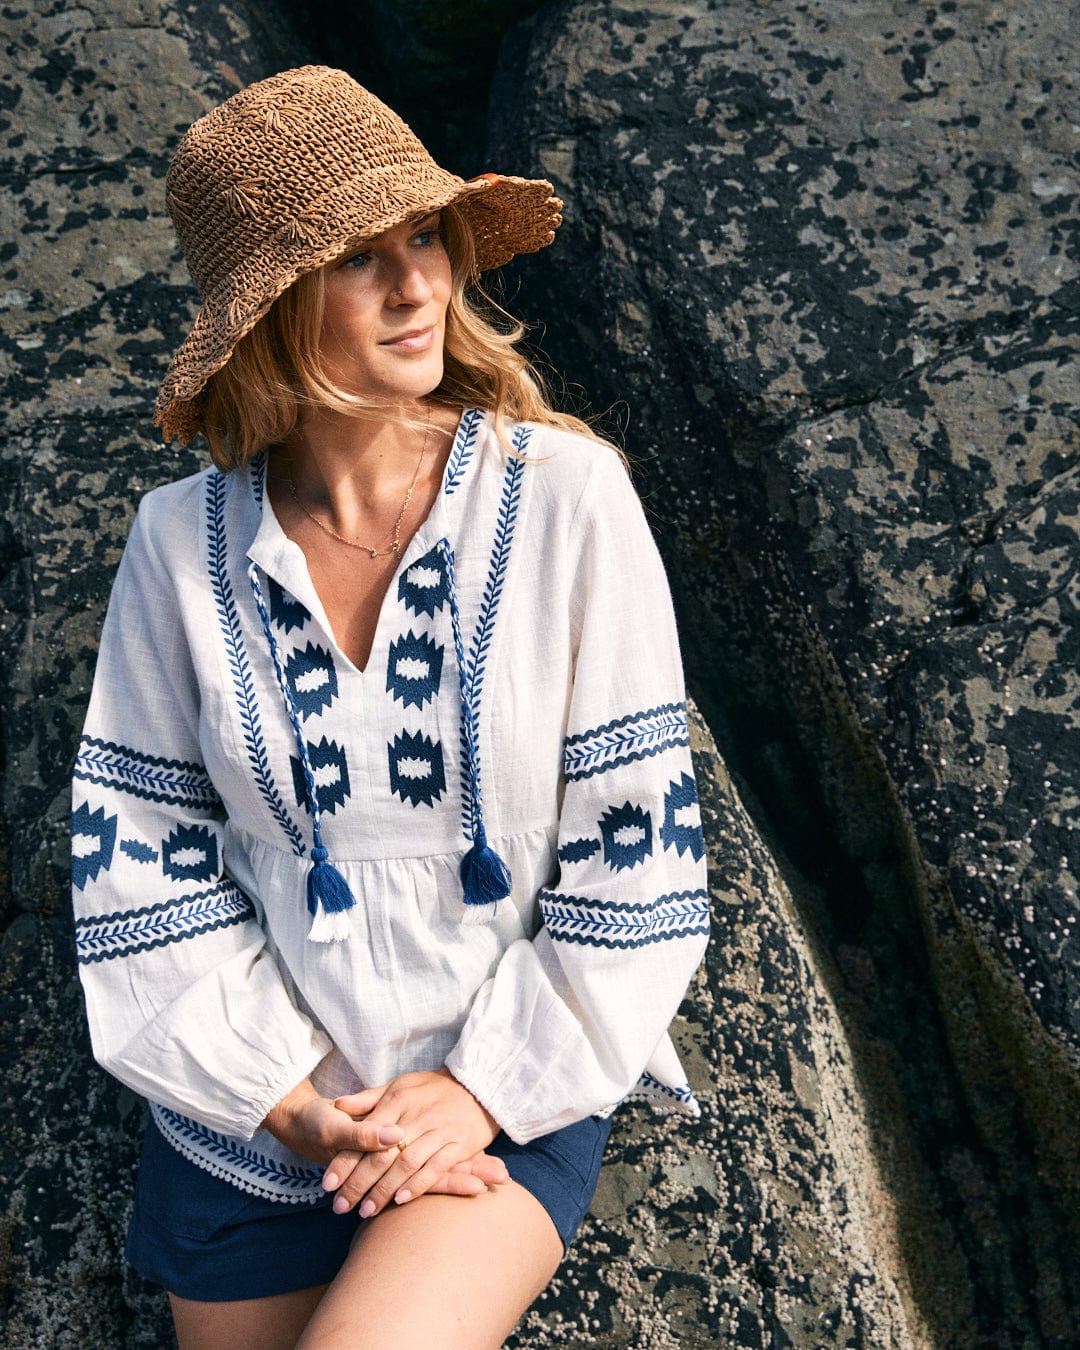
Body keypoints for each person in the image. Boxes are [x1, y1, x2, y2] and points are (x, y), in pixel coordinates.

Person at [71, 65, 709, 1349]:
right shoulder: (178, 545)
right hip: (252, 1111)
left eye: (425, 237)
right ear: (270, 308)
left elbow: (640, 848)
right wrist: (294, 1102)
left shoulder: (570, 501)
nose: (419, 286)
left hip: (499, 1088)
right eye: (361, 259)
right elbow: (135, 862)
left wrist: (477, 1089)